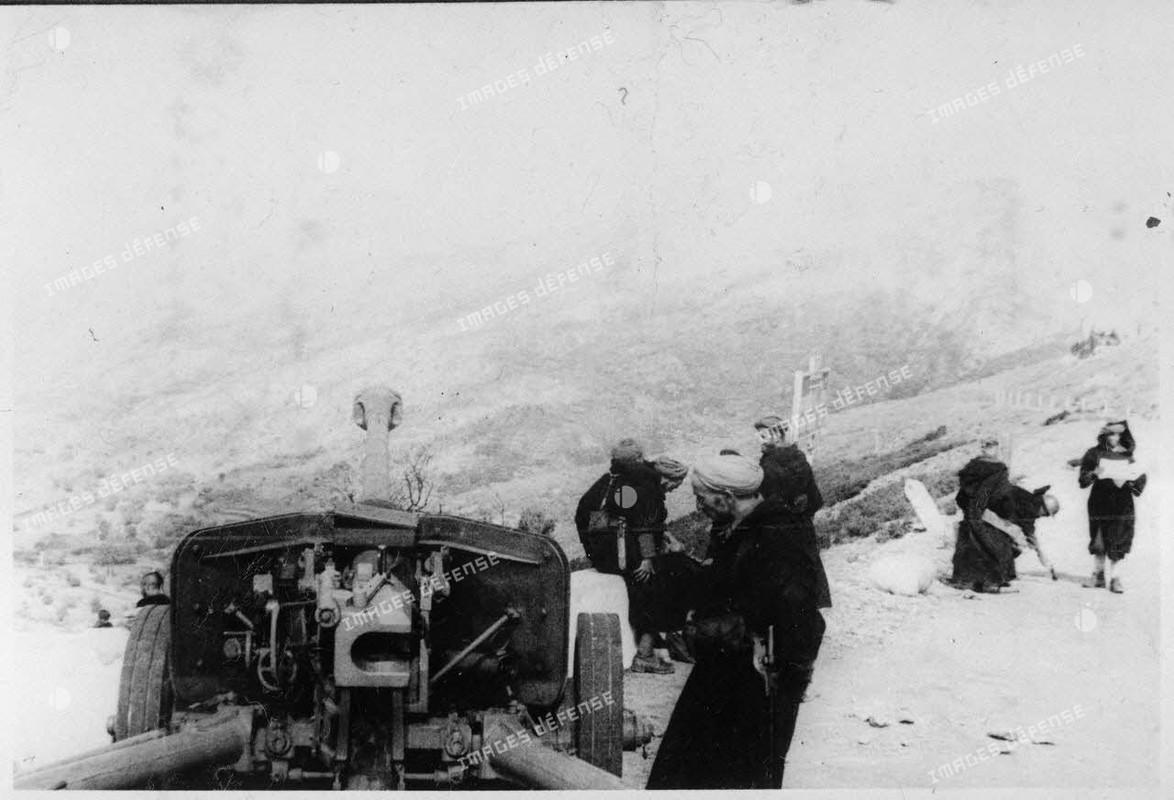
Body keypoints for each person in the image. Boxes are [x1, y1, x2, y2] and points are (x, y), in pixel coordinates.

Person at [647, 453, 827, 789]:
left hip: (753, 681)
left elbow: (799, 614)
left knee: (736, 769)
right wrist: (682, 560)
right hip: (728, 667)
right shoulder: (742, 528)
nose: (699, 506)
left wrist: (786, 675)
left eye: (702, 499)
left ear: (727, 498)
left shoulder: (777, 535)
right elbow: (725, 585)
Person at [574, 439, 677, 673]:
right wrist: (648, 558)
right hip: (628, 556)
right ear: (638, 459)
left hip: (605, 557)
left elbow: (581, 515)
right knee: (654, 585)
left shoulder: (605, 483)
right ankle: (645, 655)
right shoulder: (637, 483)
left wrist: (592, 552)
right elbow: (644, 523)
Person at [952, 437, 1058, 592]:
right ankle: (991, 583)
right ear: (1043, 508)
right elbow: (1029, 533)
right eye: (1046, 514)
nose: (1043, 516)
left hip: (976, 509)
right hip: (984, 514)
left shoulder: (1028, 498)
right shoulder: (1030, 506)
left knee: (984, 545)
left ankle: (973, 581)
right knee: (1001, 548)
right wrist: (1041, 554)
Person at [752, 415, 832, 609]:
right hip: (802, 529)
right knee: (803, 579)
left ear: (778, 436)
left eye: (763, 435)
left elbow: (764, 502)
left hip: (775, 533)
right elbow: (815, 499)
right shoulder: (800, 459)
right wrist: (802, 514)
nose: (759, 440)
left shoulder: (768, 465)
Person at [1079, 421, 1146, 593]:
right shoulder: (1094, 453)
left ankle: (1115, 578)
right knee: (1099, 539)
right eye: (1110, 434)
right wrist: (1094, 473)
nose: (1114, 438)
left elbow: (1137, 484)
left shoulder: (1128, 456)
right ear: (1104, 435)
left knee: (1119, 539)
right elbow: (1083, 481)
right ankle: (1098, 576)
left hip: (1122, 503)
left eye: (1118, 434)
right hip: (1100, 501)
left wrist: (1132, 479)